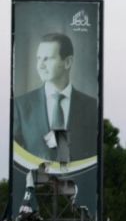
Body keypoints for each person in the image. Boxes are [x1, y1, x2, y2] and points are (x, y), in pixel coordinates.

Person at [13, 33, 98, 163]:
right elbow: (15, 157)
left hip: (78, 182)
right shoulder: (20, 106)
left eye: (47, 59)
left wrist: (61, 139)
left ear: (67, 62)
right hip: (37, 181)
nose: (40, 66)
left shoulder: (92, 107)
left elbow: (95, 150)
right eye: (38, 58)